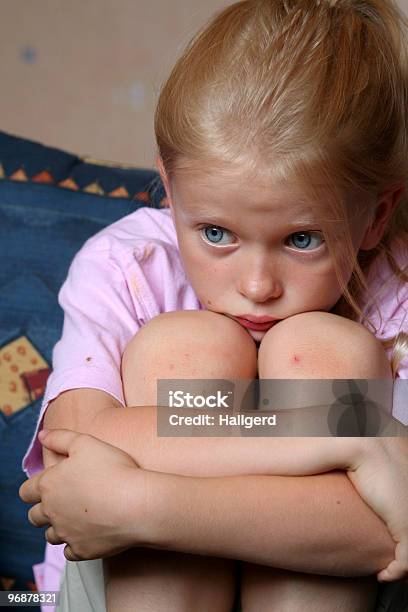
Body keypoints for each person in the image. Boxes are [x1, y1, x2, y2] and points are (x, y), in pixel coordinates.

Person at [19, 0, 408, 611]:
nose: (256, 286)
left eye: (302, 239)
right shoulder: (128, 266)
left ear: (377, 214)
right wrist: (352, 434)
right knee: (189, 348)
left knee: (321, 351)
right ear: (170, 192)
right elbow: (76, 450)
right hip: (116, 580)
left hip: (349, 587)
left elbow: (383, 536)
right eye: (216, 234)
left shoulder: (399, 289)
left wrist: (146, 505)